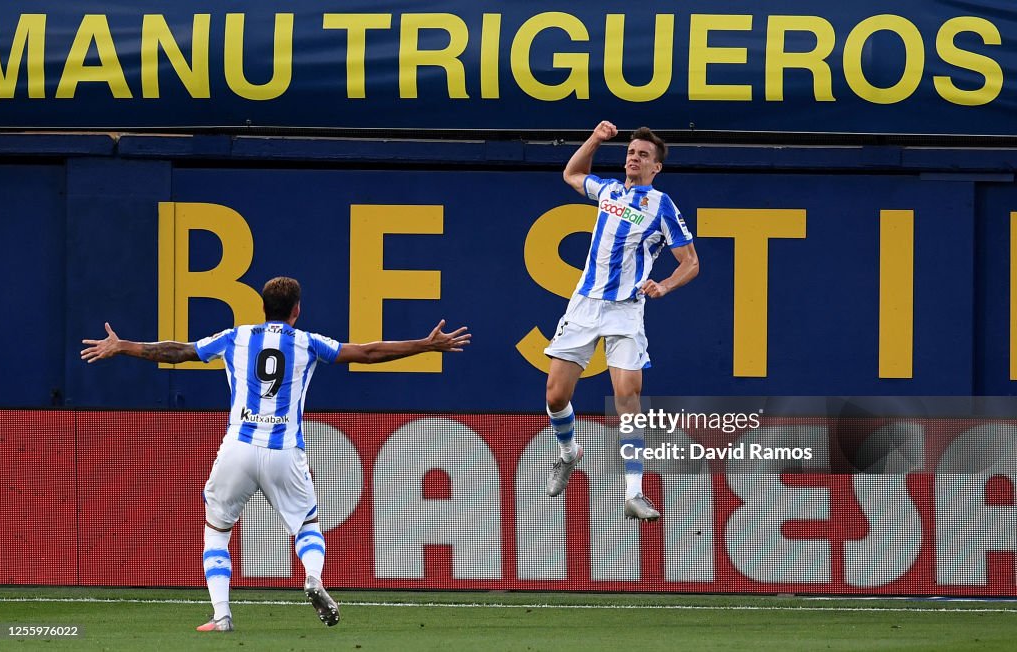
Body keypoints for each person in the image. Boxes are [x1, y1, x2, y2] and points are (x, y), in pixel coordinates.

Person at [80, 276, 470, 632]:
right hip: (284, 450)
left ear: (262, 307)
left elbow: (178, 351)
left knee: (217, 529)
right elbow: (368, 353)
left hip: (238, 449)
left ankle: (221, 615)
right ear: (297, 310)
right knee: (307, 526)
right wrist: (425, 345)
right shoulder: (308, 343)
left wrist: (123, 346)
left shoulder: (236, 337)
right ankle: (313, 577)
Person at [543, 121, 699, 521]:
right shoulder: (610, 192)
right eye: (631, 152)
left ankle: (634, 492)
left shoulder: (662, 205)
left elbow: (691, 263)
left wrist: (663, 286)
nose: (634, 158)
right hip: (585, 303)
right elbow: (572, 174)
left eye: (644, 155)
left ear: (656, 167)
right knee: (555, 396)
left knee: (627, 396)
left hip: (626, 309)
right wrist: (594, 138)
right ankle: (569, 453)